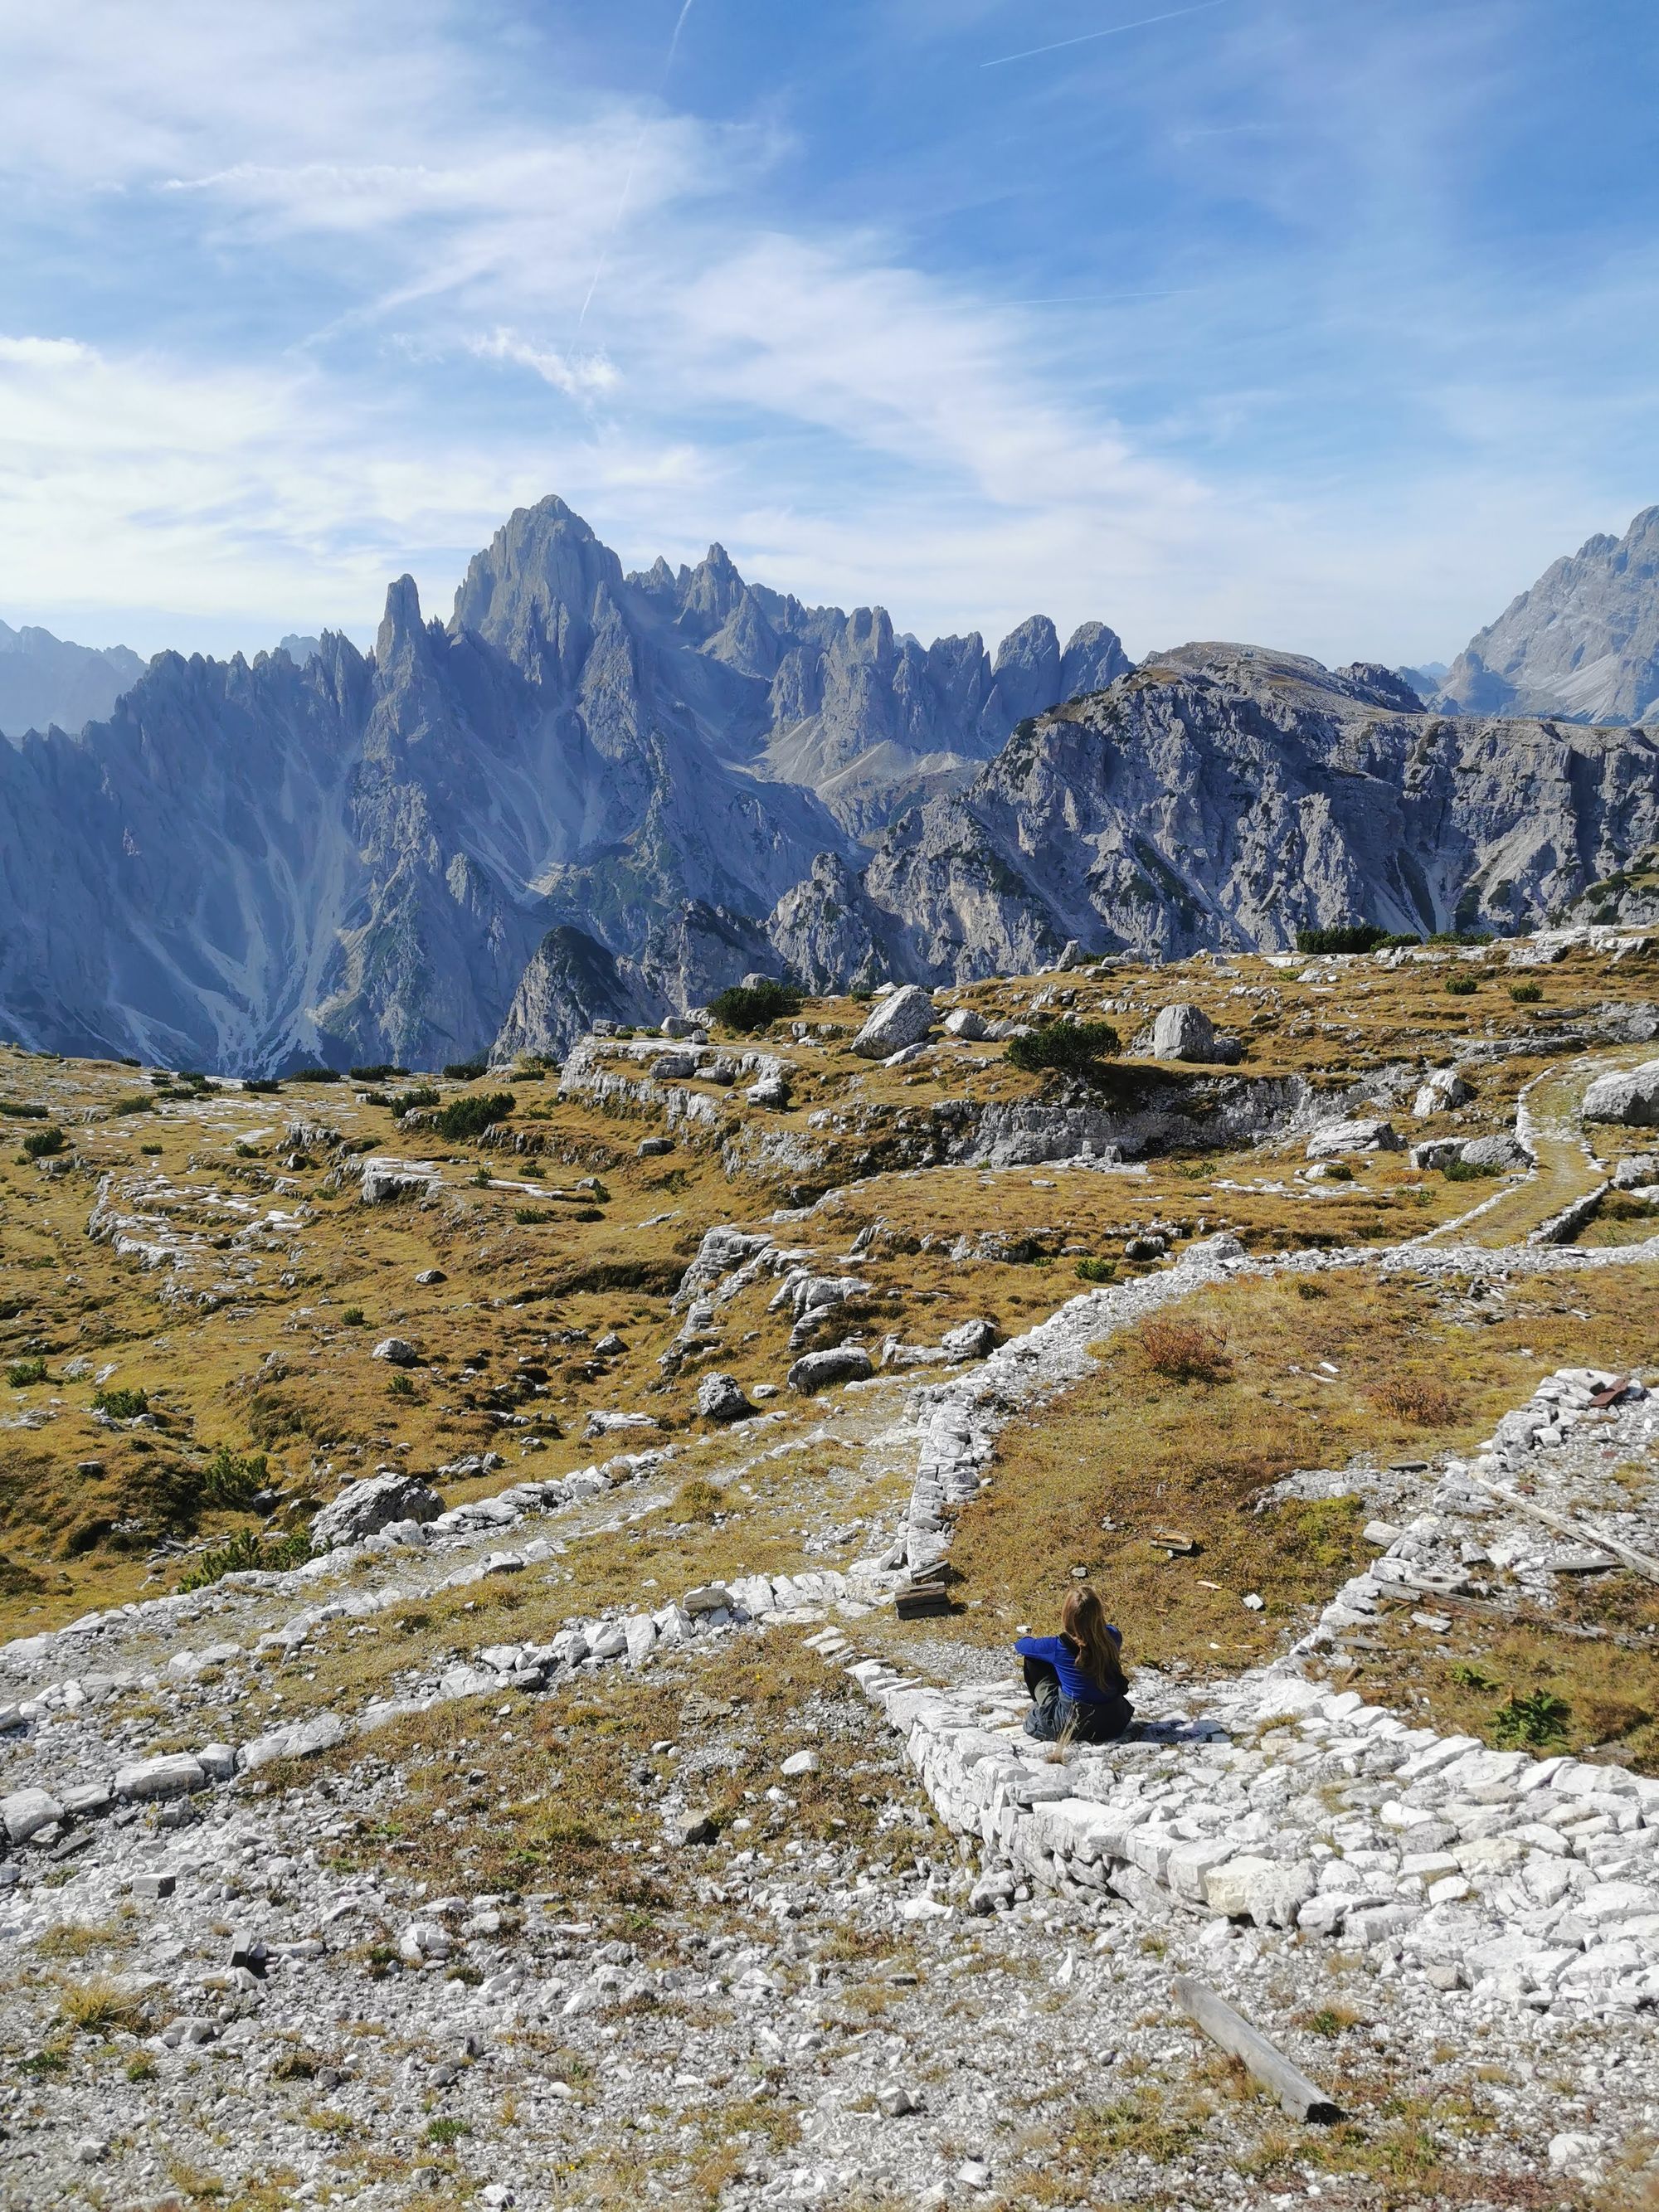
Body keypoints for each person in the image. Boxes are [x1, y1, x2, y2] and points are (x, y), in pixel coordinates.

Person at [1015, 1585, 1133, 1744]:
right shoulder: (1113, 1636)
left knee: (1033, 1659)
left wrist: (1031, 1639)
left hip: (1075, 1722)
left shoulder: (1058, 1646)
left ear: (1066, 1616)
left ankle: (1043, 1708)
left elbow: (1021, 1646)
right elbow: (1102, 1632)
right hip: (1114, 1719)